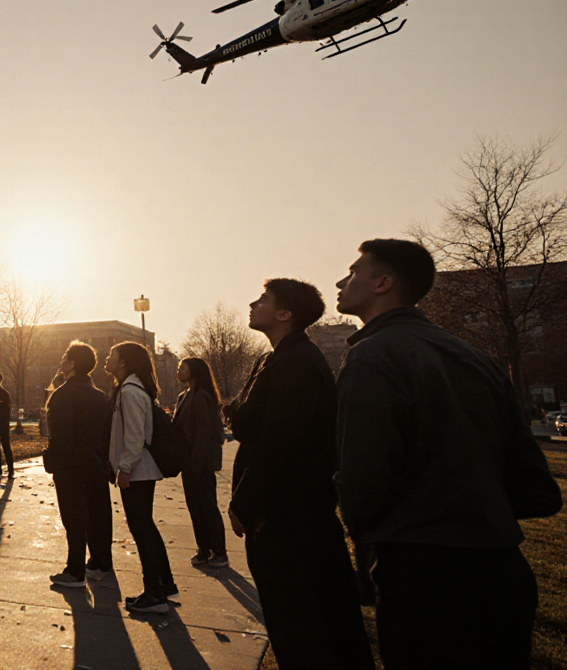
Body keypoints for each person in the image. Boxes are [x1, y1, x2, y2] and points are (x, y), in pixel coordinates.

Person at [335, 239, 552, 669]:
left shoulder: (371, 356)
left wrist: (368, 534)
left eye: (355, 271)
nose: (342, 281)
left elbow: (363, 477)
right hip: (503, 570)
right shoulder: (478, 358)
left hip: (425, 576)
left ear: (383, 283)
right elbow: (533, 483)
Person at [229, 279, 373, 670]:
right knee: (301, 624)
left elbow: (281, 443)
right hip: (287, 517)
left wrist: (247, 502)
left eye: (263, 299)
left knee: (304, 628)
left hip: (290, 521)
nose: (252, 303)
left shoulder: (295, 363)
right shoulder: (277, 358)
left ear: (284, 314)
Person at [106, 341, 176, 613]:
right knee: (145, 527)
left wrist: (124, 467)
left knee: (141, 529)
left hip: (137, 472)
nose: (107, 358)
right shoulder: (130, 388)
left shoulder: (131, 391)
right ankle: (163, 585)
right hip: (138, 470)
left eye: (112, 354)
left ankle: (154, 594)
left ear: (123, 362)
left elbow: (135, 436)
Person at [44, 341, 112, 588]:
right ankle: (100, 562)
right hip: (95, 464)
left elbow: (60, 437)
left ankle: (75, 570)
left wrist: (52, 461)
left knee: (74, 519)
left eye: (65, 358)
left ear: (72, 363)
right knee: (97, 516)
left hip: (70, 465)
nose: (62, 362)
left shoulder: (62, 396)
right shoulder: (100, 397)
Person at [173, 357, 228, 568]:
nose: (179, 370)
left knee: (207, 506)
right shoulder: (183, 396)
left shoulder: (202, 397)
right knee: (194, 507)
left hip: (201, 463)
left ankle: (219, 550)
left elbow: (204, 433)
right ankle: (203, 548)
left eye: (182, 367)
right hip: (188, 462)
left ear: (194, 371)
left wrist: (197, 462)